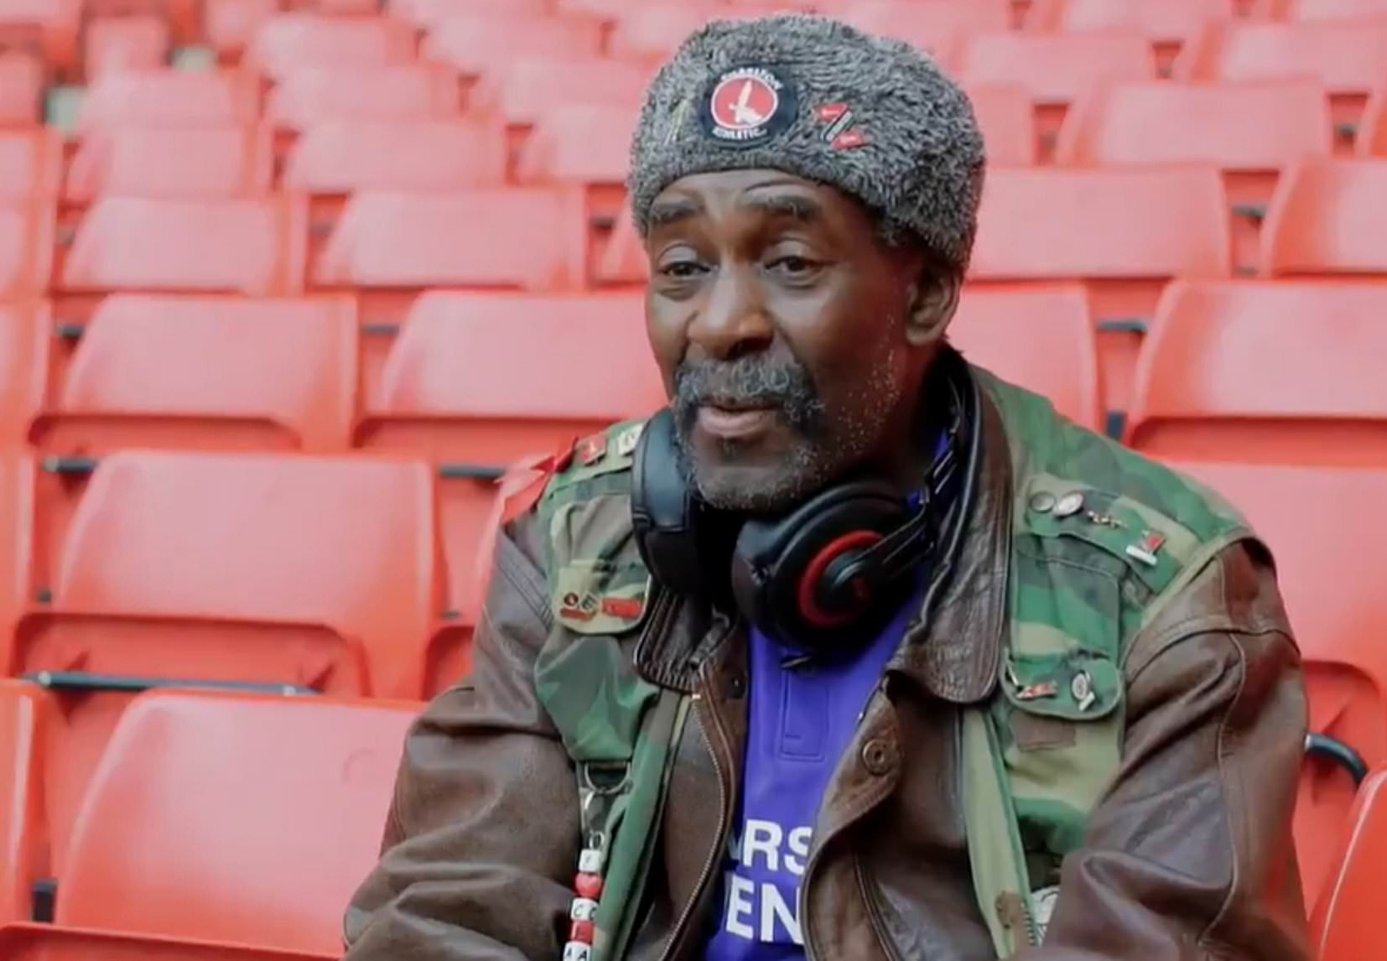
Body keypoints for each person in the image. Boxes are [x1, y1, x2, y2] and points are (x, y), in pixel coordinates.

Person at [342, 14, 1309, 961]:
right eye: (683, 266)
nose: (720, 322)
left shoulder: (1161, 598)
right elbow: (445, 906)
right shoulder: (576, 540)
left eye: (791, 263)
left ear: (925, 294)